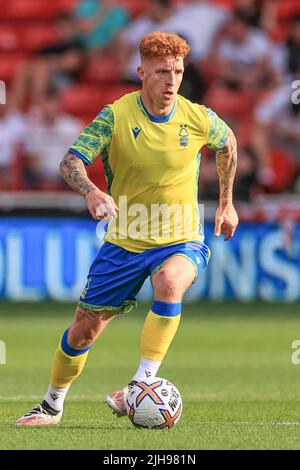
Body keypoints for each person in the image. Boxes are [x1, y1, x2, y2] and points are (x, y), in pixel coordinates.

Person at [16, 32, 239, 426]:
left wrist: (226, 203)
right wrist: (91, 191)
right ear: (141, 73)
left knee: (170, 281)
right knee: (84, 330)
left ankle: (141, 383)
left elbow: (228, 145)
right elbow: (70, 162)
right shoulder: (115, 116)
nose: (171, 81)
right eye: (162, 72)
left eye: (177, 72)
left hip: (181, 237)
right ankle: (51, 405)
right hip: (125, 239)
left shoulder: (197, 116)